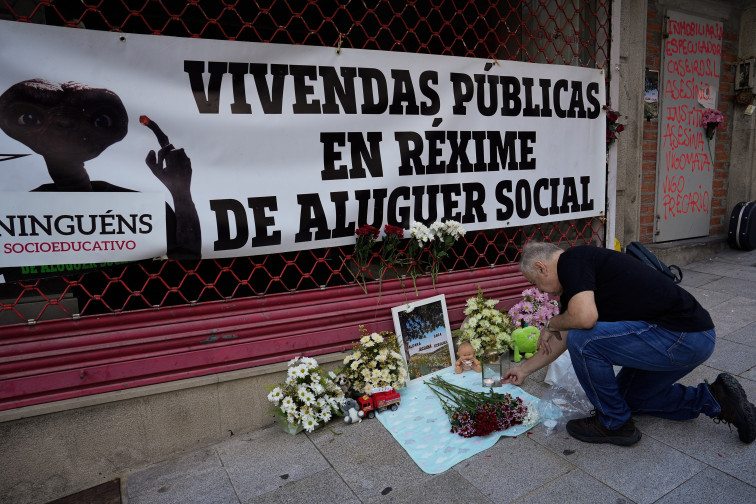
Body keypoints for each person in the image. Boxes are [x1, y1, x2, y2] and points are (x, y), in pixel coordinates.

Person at [502, 241, 756, 446]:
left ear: (542, 267)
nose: (543, 292)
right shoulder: (577, 285)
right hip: (691, 339)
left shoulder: (572, 260)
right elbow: (564, 340)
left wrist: (551, 324)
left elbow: (583, 322)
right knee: (626, 398)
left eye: (536, 283)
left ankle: (614, 424)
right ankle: (717, 400)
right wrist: (523, 370)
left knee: (585, 339)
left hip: (680, 337)